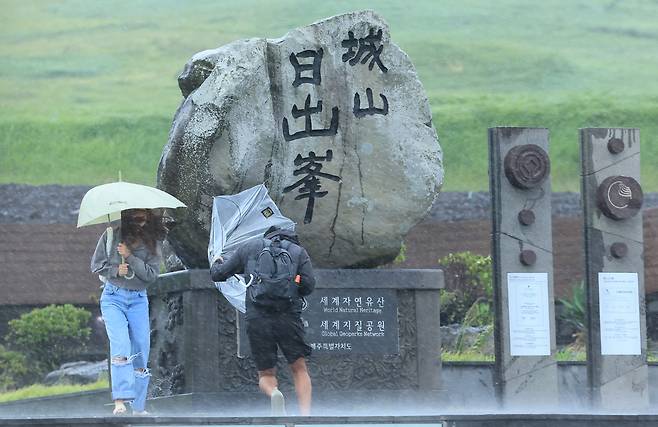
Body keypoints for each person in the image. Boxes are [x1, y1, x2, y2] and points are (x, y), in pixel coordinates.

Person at [211, 226, 315, 416]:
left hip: (258, 317)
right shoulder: (298, 252)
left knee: (266, 374)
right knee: (299, 368)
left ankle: (274, 392)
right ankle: (305, 415)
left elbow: (219, 274)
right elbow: (308, 286)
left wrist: (218, 262)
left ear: (267, 236)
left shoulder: (250, 247)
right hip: (288, 317)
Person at [91, 208, 164, 415]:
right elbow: (96, 265)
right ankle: (120, 401)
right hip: (113, 297)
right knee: (121, 345)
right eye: (136, 219)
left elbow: (150, 275)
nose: (140, 223)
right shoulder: (111, 235)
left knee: (141, 346)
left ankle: (138, 406)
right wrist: (115, 270)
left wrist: (130, 257)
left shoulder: (153, 242)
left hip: (139, 299)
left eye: (144, 219)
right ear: (127, 218)